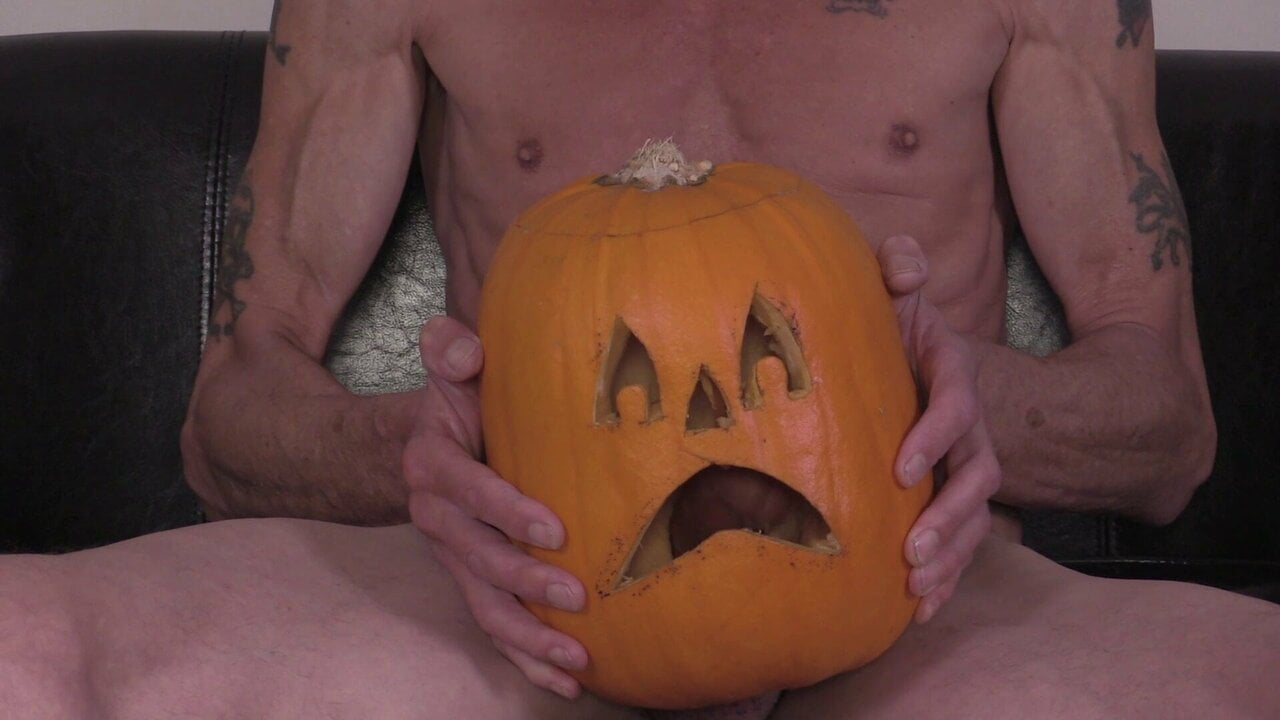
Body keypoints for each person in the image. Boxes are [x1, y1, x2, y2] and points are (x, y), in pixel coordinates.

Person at [9, 0, 1274, 718]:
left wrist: (948, 397)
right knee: (23, 641)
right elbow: (229, 419)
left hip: (925, 603)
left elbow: (1166, 431)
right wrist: (427, 454)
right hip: (522, 603)